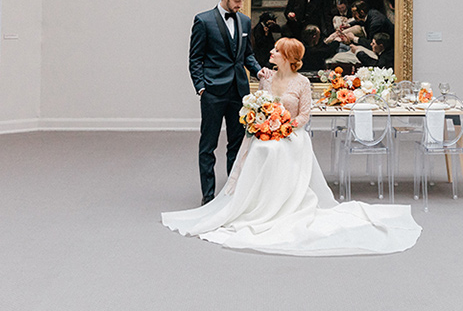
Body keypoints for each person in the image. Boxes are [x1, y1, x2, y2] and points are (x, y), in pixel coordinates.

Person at [163, 38, 421, 255]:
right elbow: (260, 105)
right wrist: (265, 125)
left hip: (291, 134)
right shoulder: (266, 78)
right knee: (262, 148)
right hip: (266, 132)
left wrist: (284, 126)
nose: (271, 53)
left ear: (287, 56)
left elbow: (305, 116)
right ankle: (256, 203)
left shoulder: (302, 83)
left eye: (276, 50)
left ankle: (279, 205)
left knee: (273, 149)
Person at [189, 0, 268, 205]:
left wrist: (257, 71)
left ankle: (233, 192)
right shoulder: (203, 21)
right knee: (208, 145)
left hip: (238, 91)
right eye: (236, 0)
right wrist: (201, 87)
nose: (239, 5)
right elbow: (195, 58)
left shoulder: (244, 21)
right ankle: (208, 196)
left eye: (242, 1)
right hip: (212, 91)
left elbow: (247, 55)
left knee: (237, 143)